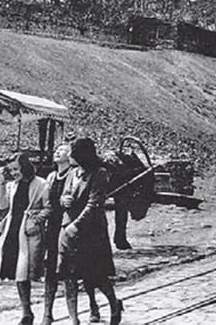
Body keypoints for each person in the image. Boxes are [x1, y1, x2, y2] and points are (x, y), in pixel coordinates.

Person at [59, 138, 123, 324]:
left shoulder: (99, 173)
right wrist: (65, 201)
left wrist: (76, 224)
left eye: (73, 152)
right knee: (72, 273)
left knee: (96, 273)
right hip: (69, 229)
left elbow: (94, 204)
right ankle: (83, 314)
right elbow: (64, 195)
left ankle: (113, 303)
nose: (70, 155)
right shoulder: (72, 173)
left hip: (91, 231)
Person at [0, 154, 51, 325]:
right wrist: (0, 183)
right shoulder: (11, 185)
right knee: (17, 272)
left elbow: (49, 208)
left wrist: (36, 220)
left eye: (16, 169)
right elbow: (2, 205)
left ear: (25, 167)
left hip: (29, 232)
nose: (14, 173)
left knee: (25, 271)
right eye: (11, 170)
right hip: (12, 231)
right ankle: (26, 312)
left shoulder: (41, 184)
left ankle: (40, 312)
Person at [41, 144, 74, 325]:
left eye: (61, 150)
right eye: (57, 150)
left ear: (70, 156)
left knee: (69, 270)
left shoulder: (75, 175)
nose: (57, 152)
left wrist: (68, 200)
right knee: (50, 268)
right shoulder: (51, 176)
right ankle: (47, 313)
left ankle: (74, 316)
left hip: (68, 228)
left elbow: (77, 198)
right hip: (52, 227)